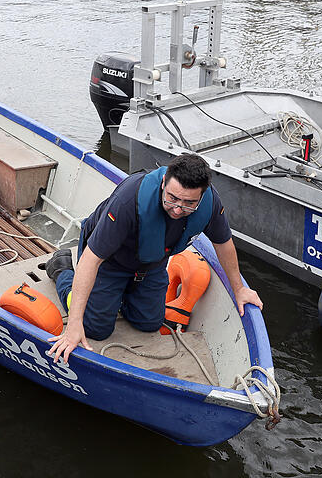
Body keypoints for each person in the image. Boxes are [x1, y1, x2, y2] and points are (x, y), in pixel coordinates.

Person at [45, 154, 263, 364]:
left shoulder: (210, 203)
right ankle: (62, 271)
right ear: (163, 184)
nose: (178, 209)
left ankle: (120, 294)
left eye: (188, 203)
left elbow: (223, 243)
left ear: (201, 196)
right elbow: (91, 260)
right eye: (173, 198)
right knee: (95, 328)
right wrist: (73, 326)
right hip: (110, 261)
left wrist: (239, 289)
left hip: (150, 263)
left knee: (149, 323)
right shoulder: (128, 201)